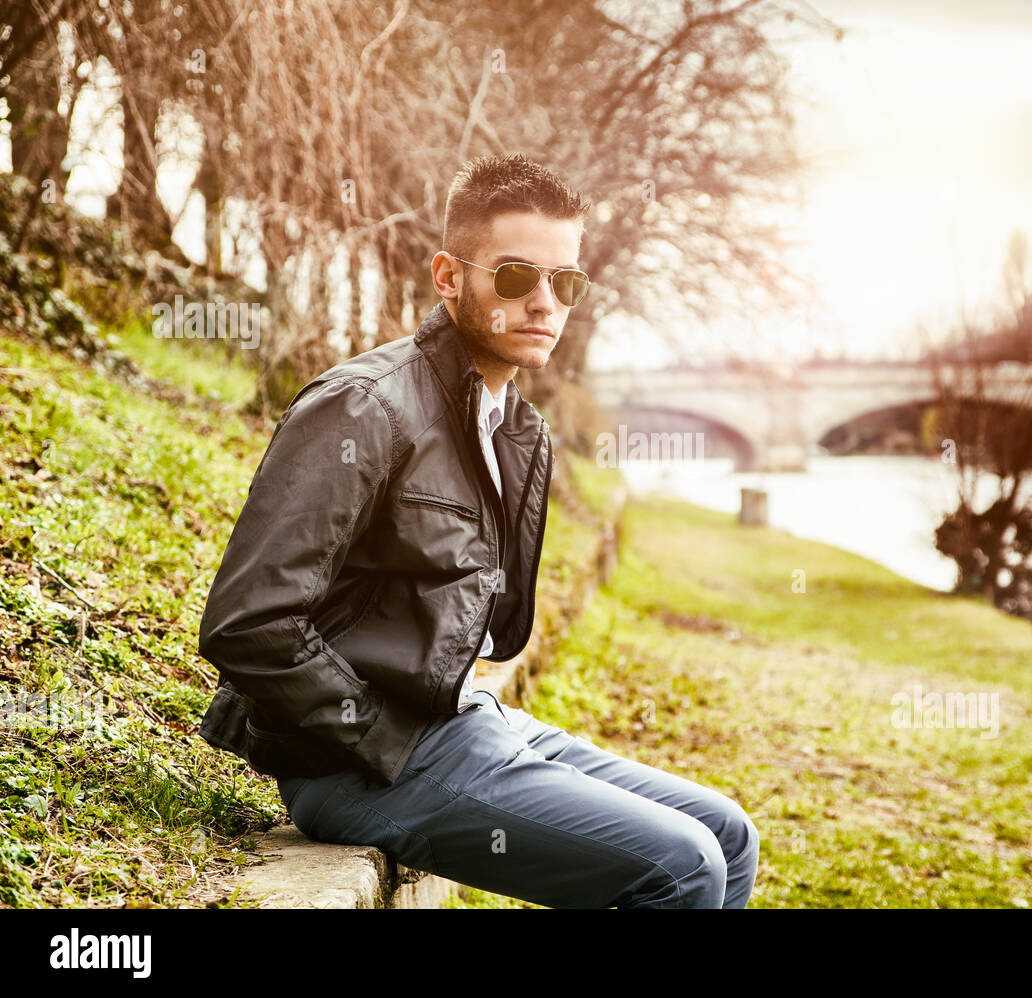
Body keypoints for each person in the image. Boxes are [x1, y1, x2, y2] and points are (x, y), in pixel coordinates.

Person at [195, 153, 759, 908]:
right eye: (519, 275)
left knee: (728, 834)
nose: (546, 303)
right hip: (360, 764)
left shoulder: (512, 426)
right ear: (449, 275)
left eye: (567, 283)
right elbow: (249, 623)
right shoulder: (366, 407)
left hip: (462, 720)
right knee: (682, 864)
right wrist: (381, 737)